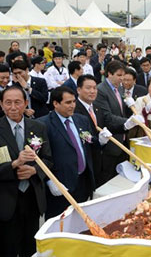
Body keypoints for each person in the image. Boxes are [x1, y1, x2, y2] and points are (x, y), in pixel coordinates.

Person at [0, 86, 52, 257]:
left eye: (17, 102)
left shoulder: (38, 127)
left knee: (30, 247)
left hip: (32, 197)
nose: (13, 107)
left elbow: (48, 159)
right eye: (8, 103)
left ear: (26, 103)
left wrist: (34, 170)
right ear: (1, 105)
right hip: (6, 200)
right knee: (8, 247)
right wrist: (15, 164)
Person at [38, 87, 99, 219]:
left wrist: (101, 141)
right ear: (55, 103)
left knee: (80, 221)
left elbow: (91, 145)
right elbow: (40, 156)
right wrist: (49, 180)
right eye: (68, 102)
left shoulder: (81, 120)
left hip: (83, 181)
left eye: (74, 102)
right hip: (60, 185)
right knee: (60, 222)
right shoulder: (43, 124)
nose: (72, 106)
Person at [95, 60, 144, 184]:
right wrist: (128, 122)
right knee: (108, 178)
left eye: (123, 75)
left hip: (123, 138)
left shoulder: (119, 89)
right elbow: (107, 117)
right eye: (119, 75)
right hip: (110, 140)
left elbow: (121, 111)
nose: (122, 78)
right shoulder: (101, 90)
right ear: (109, 74)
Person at [74, 75, 114, 187]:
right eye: (88, 88)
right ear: (78, 90)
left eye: (94, 88)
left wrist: (126, 124)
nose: (92, 91)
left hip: (100, 160)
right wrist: (98, 141)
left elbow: (108, 122)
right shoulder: (74, 109)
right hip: (86, 162)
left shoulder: (97, 106)